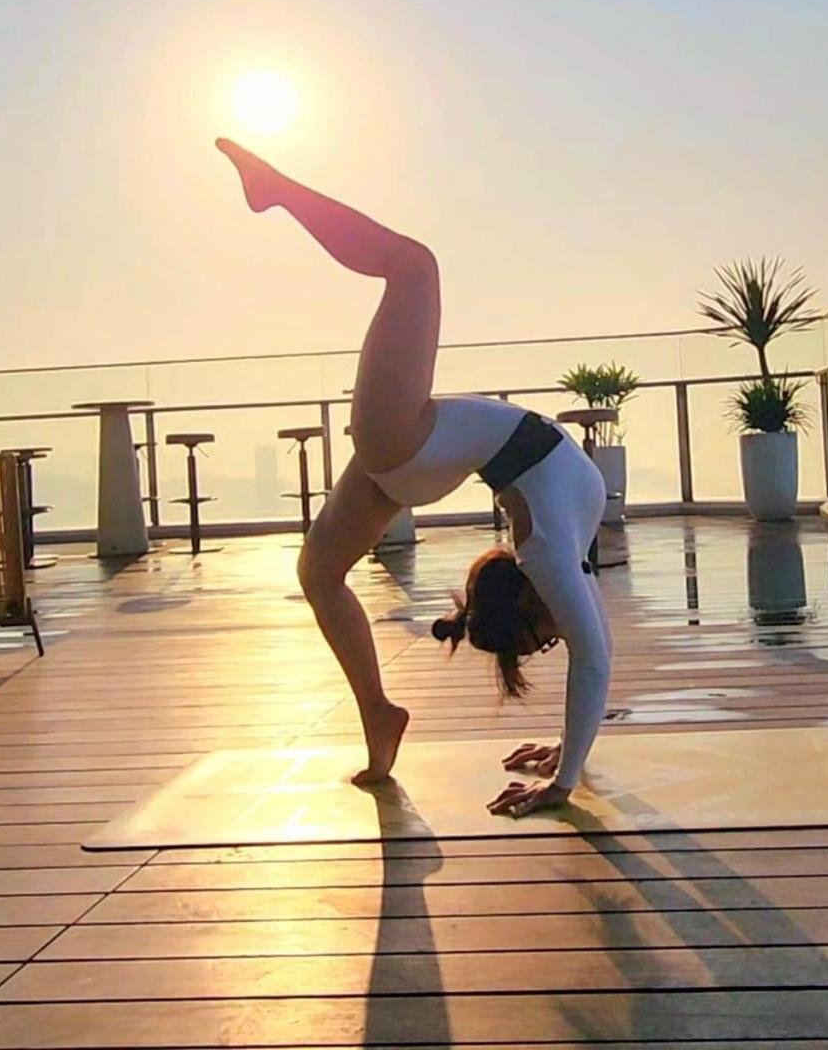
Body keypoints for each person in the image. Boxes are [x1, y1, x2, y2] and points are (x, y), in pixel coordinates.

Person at [216, 139, 610, 818]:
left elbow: (593, 658)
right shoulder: (560, 548)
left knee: (413, 267)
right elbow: (595, 659)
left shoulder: (548, 551)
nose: (556, 640)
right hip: (420, 458)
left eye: (539, 639)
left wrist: (564, 782)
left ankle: (278, 190)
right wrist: (567, 757)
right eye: (546, 641)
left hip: (411, 444)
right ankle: (377, 712)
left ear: (526, 601)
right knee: (318, 574)